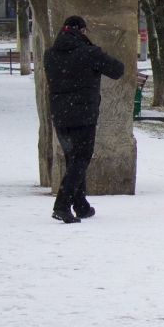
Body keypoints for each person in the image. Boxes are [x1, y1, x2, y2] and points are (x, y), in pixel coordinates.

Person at [43, 15, 125, 223]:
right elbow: (117, 70)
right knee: (81, 159)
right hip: (83, 116)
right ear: (82, 31)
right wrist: (95, 53)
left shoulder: (50, 54)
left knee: (73, 160)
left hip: (59, 115)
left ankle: (81, 206)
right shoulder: (89, 53)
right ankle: (62, 205)